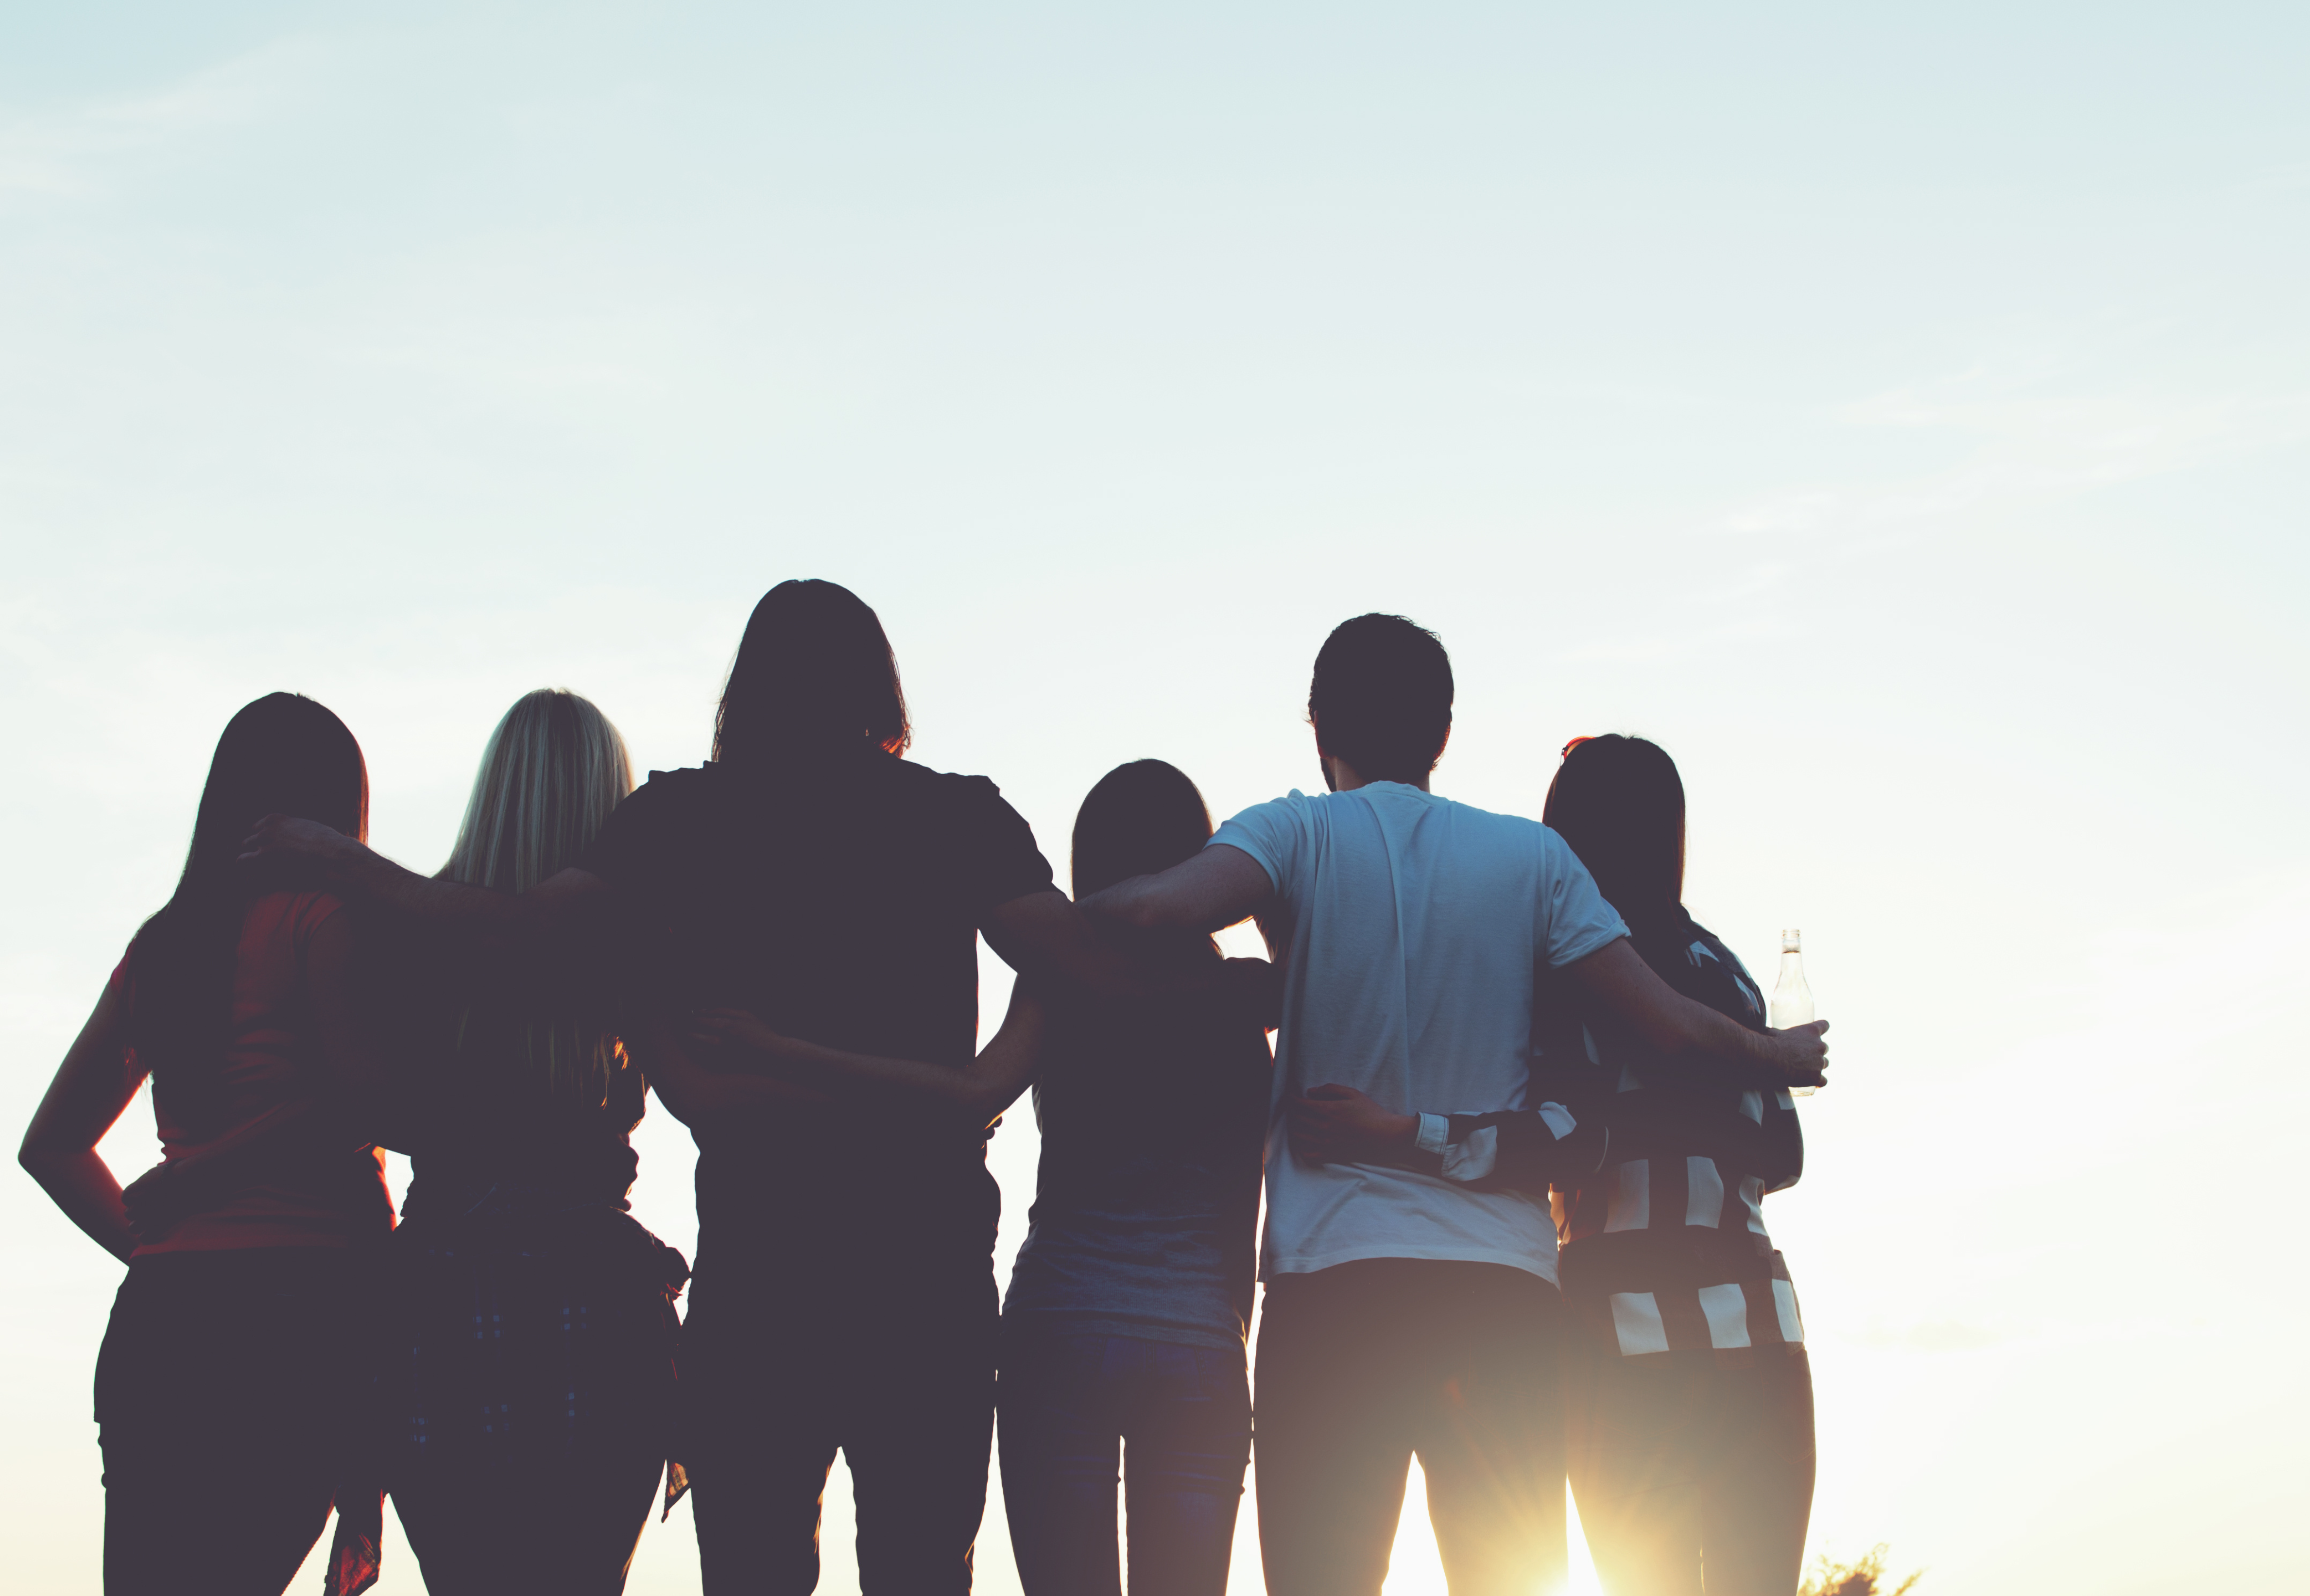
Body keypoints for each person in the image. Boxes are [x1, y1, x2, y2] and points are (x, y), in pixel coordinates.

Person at [240, 579, 1146, 1596]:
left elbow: (518, 930)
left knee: (754, 1570)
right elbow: (1084, 965)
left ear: (745, 689)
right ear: (879, 692)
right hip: (926, 1275)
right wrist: (969, 1087)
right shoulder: (957, 816)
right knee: (922, 1568)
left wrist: (347, 865)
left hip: (763, 1274)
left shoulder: (681, 818)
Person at [1081, 616, 1828, 1596]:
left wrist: (1038, 925)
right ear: (1443, 732)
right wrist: (1772, 1051)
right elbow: (1674, 1031)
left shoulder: (1294, 829)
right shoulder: (1535, 864)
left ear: (1318, 729)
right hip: (1507, 1296)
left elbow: (1150, 911)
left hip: (1336, 1282)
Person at [680, 759, 1278, 1596]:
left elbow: (968, 1095)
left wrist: (783, 1050)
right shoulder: (1249, 995)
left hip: (1059, 1334)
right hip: (1196, 1351)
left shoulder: (1061, 980)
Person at [17, 692, 403, 1596]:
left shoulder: (164, 948)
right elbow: (370, 1103)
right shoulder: (328, 922)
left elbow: (54, 1146)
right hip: (303, 1311)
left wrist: (167, 1241)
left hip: (166, 1320)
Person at [383, 689, 690, 1596]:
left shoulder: (408, 929)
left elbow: (374, 1104)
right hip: (598, 1306)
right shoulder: (642, 937)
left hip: (439, 1302)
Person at [1538, 734, 1814, 1596]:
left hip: (1614, 1332)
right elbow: (1785, 1153)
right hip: (1760, 1328)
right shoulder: (1725, 972)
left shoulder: (1551, 970)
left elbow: (1564, 1137)